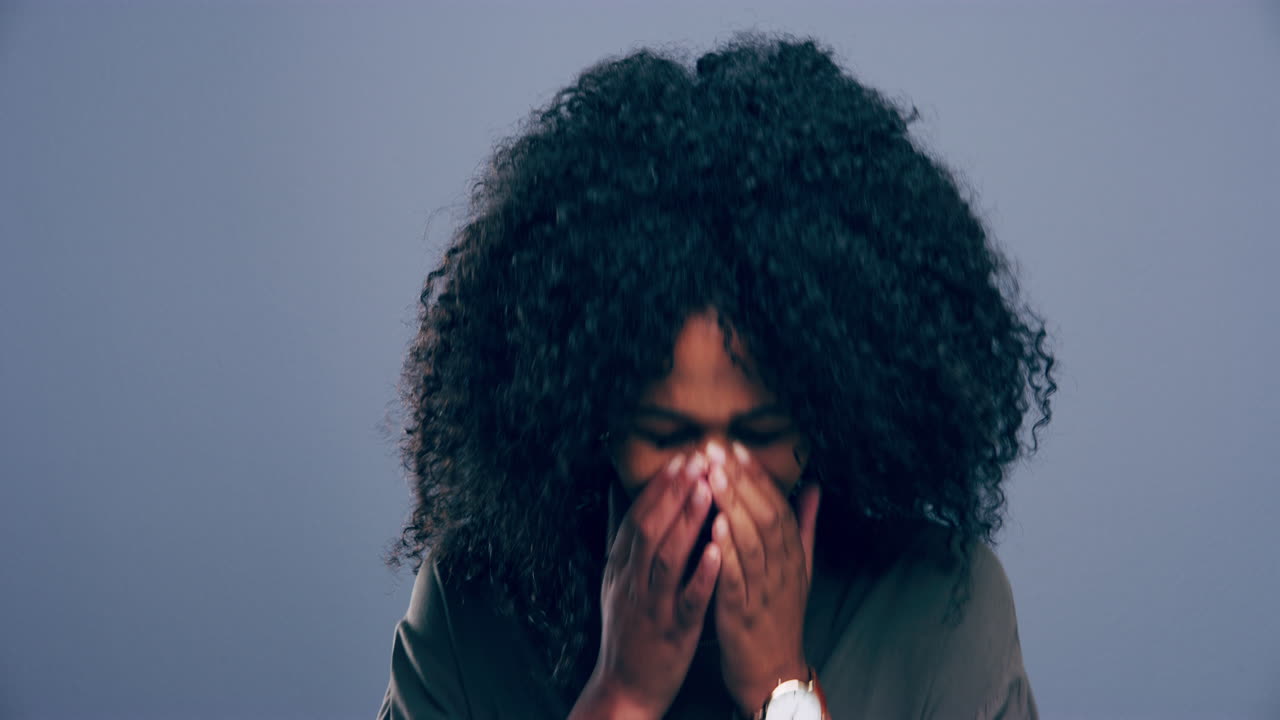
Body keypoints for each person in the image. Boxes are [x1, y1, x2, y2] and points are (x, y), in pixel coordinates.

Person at [378, 33, 1056, 720]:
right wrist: (621, 697)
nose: (714, 472)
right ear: (595, 421)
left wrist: (781, 690)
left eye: (760, 433)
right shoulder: (472, 611)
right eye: (665, 434)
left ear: (827, 415)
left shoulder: (939, 610)